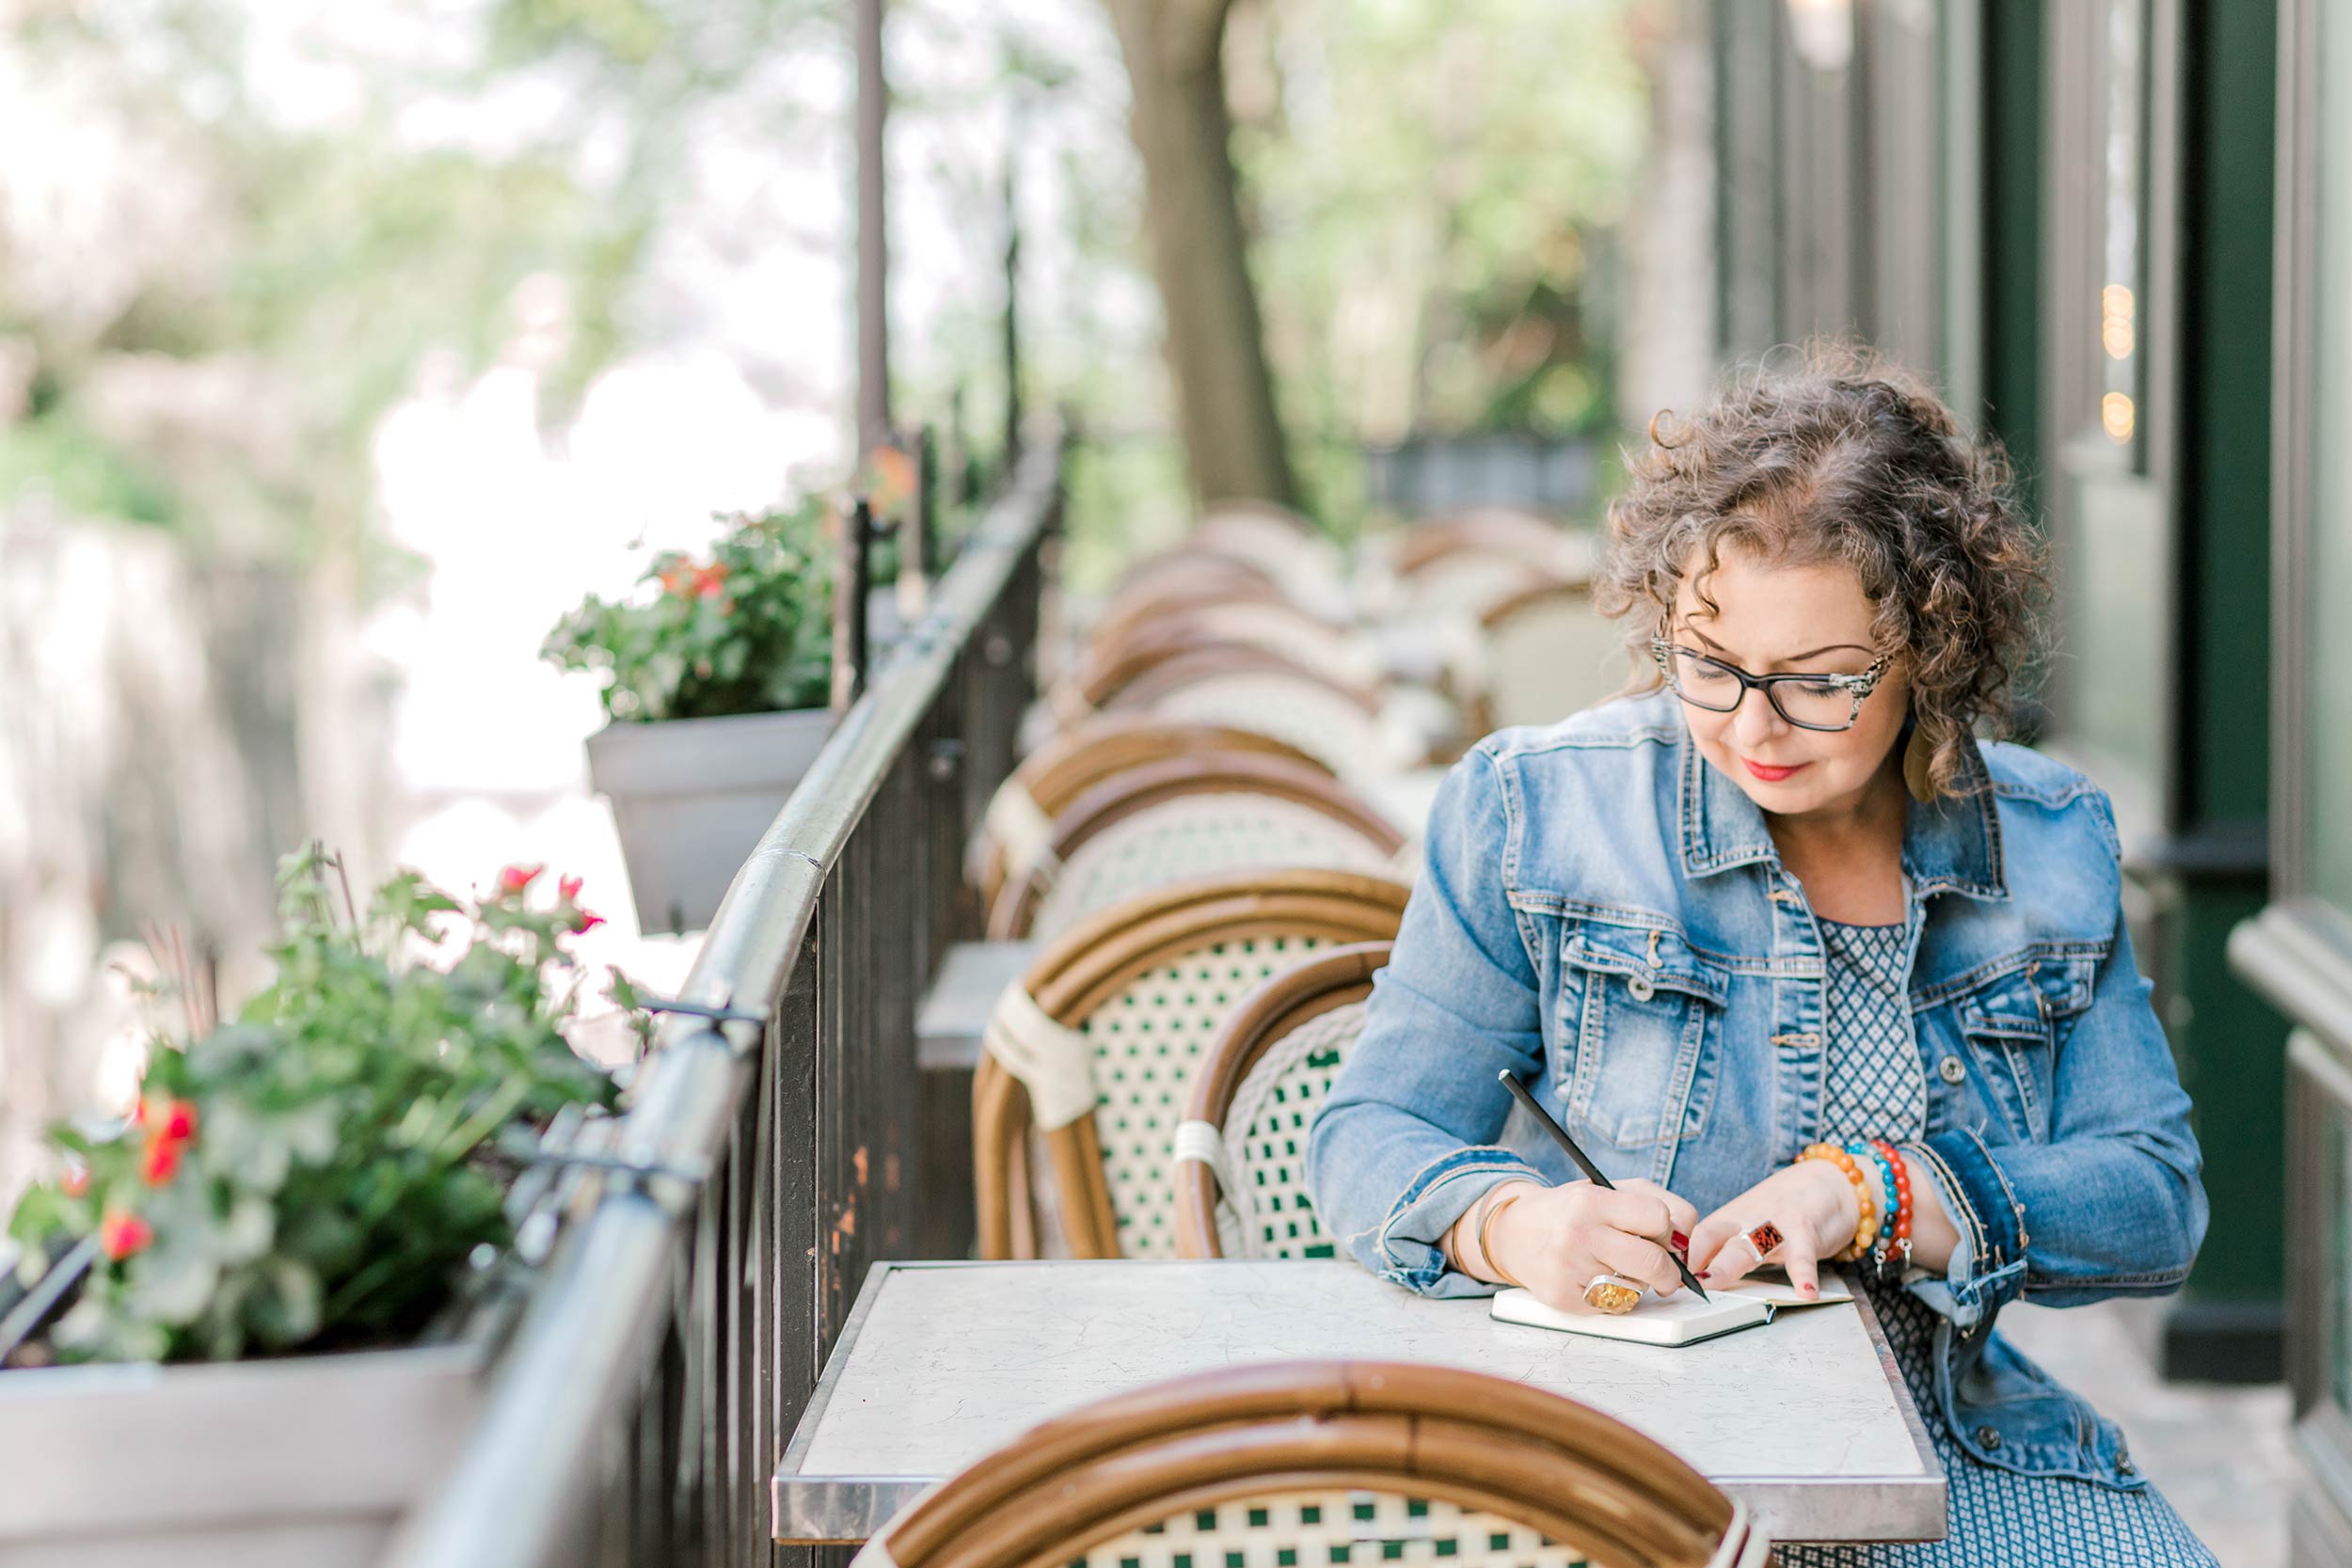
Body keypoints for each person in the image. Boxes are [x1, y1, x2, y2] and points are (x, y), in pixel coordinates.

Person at [1306, 345, 2217, 1565]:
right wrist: (1512, 1226)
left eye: (1820, 682)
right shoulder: (1538, 814)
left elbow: (2154, 1204)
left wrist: (1879, 1195)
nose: (1752, 726)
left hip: (1951, 1448)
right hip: (1624, 1459)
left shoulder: (2049, 843)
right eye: (1710, 666)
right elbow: (1366, 1135)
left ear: (1931, 654)